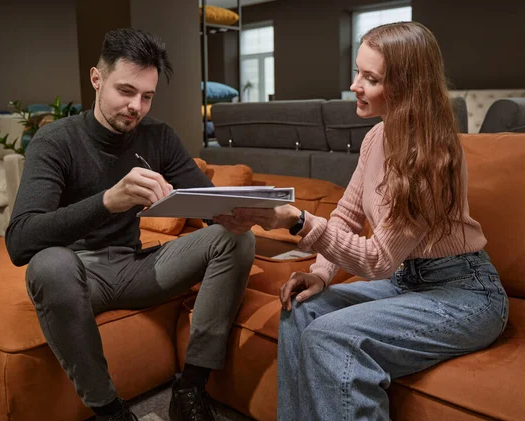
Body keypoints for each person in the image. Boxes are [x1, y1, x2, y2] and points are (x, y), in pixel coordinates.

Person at [216, 22, 509, 420]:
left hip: (465, 292)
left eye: (370, 78)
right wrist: (320, 273)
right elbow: (348, 215)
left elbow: (379, 260)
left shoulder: (433, 156)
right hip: (407, 282)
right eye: (358, 71)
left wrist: (300, 222)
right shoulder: (376, 137)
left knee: (332, 337)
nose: (354, 84)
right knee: (299, 309)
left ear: (405, 87)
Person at [5, 28, 255, 421]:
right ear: (96, 79)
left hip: (135, 267)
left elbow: (212, 207)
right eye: (126, 91)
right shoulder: (55, 141)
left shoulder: (159, 137)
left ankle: (190, 388)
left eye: (147, 96)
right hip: (79, 276)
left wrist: (259, 215)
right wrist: (108, 201)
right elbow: (20, 241)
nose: (136, 106)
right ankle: (110, 410)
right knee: (49, 264)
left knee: (234, 238)